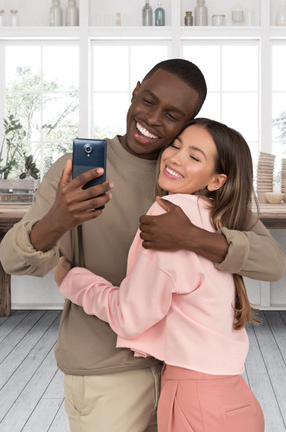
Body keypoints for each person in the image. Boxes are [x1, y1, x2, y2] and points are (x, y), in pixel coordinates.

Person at [0, 59, 283, 432]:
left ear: (190, 122)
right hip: (106, 373)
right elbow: (13, 261)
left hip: (182, 374)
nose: (152, 118)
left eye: (172, 115)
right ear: (134, 93)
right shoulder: (73, 172)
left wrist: (192, 238)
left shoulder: (190, 184)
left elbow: (272, 262)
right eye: (148, 101)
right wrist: (58, 219)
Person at [55, 118, 265, 432]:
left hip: (195, 398)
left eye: (195, 157)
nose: (176, 158)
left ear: (217, 181)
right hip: (235, 395)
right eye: (176, 145)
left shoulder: (168, 214)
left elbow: (130, 316)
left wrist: (72, 280)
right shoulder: (219, 219)